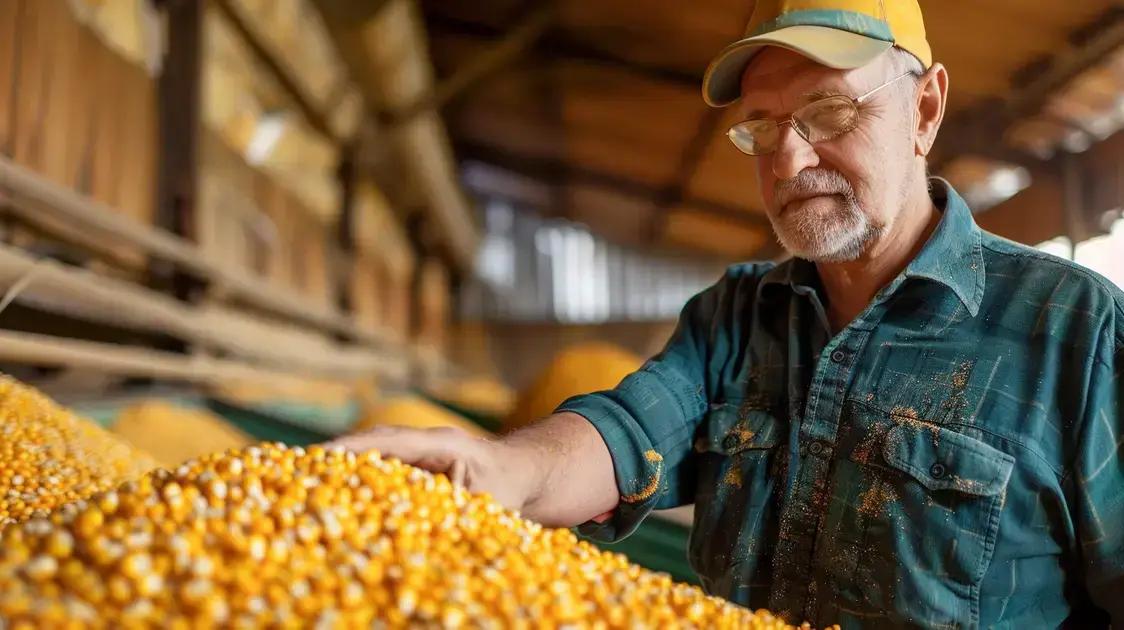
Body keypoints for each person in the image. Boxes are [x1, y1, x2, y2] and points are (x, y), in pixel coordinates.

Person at [328, 0, 1124, 626]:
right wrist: (498, 468)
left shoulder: (1075, 333)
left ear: (925, 110)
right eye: (762, 126)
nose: (789, 159)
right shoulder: (735, 317)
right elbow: (626, 432)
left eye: (828, 112)